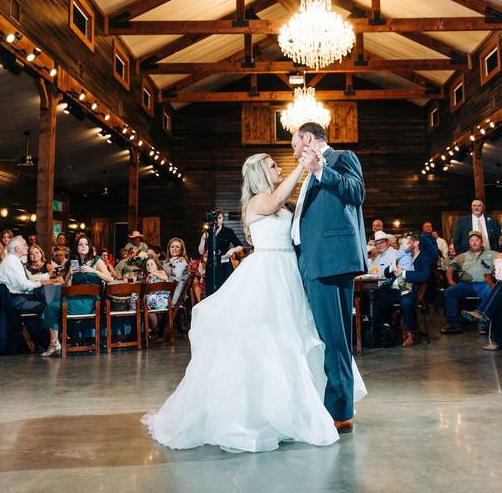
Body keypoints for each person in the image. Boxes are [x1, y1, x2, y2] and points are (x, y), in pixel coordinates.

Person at [143, 151, 366, 452]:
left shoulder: (280, 202)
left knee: (296, 338)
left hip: (289, 272)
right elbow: (276, 202)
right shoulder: (259, 201)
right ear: (261, 172)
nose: (279, 168)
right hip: (268, 273)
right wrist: (303, 165)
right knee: (269, 342)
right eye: (274, 165)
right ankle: (262, 413)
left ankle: (300, 406)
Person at [291, 122, 369, 431]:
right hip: (311, 261)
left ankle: (340, 411)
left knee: (335, 337)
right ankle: (327, 402)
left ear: (308, 138)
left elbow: (357, 192)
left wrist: (322, 169)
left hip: (331, 261)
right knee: (324, 336)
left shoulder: (340, 158)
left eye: (294, 143)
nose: (294, 149)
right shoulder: (308, 174)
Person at [41, 237, 113, 358]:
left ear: (89, 247)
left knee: (52, 307)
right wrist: (70, 274)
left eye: (86, 244)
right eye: (80, 244)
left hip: (91, 301)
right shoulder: (73, 262)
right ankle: (54, 343)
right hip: (75, 298)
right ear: (77, 247)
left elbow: (109, 278)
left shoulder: (96, 260)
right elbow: (67, 287)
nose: (83, 246)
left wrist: (93, 271)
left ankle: (54, 344)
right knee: (51, 307)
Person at [373, 232, 434, 347]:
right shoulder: (401, 254)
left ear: (416, 243)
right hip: (395, 288)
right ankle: (383, 331)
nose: (403, 244)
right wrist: (392, 267)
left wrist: (403, 273)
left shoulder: (423, 258)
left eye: (407, 242)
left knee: (407, 302)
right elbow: (386, 272)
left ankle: (410, 333)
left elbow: (424, 276)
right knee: (378, 296)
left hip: (412, 290)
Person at [440, 231, 497, 335]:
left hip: (485, 284)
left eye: (477, 240)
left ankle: (483, 325)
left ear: (481, 241)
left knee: (491, 293)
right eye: (471, 240)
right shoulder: (461, 256)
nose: (474, 242)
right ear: (469, 243)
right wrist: (450, 281)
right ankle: (454, 324)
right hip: (466, 285)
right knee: (449, 292)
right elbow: (450, 268)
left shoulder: (493, 254)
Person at [198, 208, 243, 294]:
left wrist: (232, 250)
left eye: (220, 218)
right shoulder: (208, 232)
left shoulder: (228, 231)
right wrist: (203, 239)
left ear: (222, 218)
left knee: (225, 290)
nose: (218, 220)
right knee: (211, 291)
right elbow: (201, 252)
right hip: (211, 264)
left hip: (224, 263)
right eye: (216, 218)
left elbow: (240, 246)